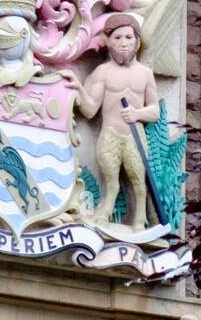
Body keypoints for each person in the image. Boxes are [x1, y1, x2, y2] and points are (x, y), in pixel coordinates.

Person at [62, 13, 159, 229]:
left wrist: (137, 114)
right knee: (111, 180)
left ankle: (141, 220)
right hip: (110, 134)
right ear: (108, 41)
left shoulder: (145, 74)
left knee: (138, 181)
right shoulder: (102, 72)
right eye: (117, 38)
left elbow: (155, 112)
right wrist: (78, 87)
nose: (123, 43)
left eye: (128, 37)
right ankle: (104, 213)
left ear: (137, 41)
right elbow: (89, 110)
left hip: (134, 136)